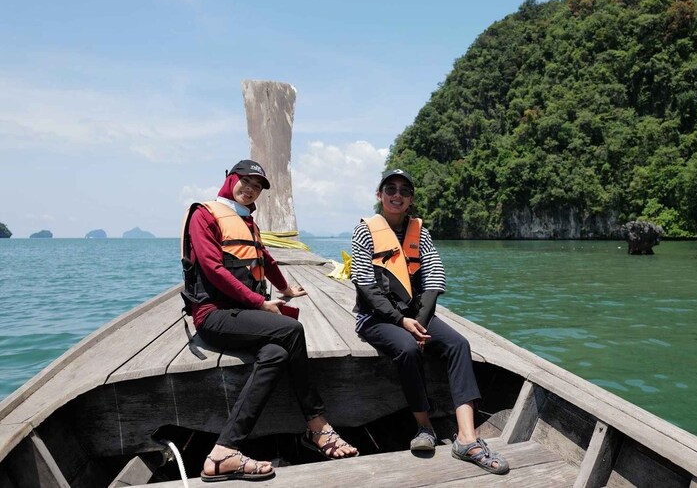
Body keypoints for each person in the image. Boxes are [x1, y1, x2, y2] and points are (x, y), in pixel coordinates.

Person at [182, 159, 357, 482]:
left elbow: (266, 258)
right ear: (230, 179)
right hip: (213, 315)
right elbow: (212, 269)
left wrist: (285, 288)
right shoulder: (204, 215)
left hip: (244, 313)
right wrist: (261, 303)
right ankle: (317, 426)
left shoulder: (247, 222)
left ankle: (223, 451)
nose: (250, 189)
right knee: (292, 329)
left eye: (257, 186)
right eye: (245, 181)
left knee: (276, 354)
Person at [350, 168, 509, 475]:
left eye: (404, 191)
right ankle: (425, 427)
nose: (397, 195)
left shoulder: (419, 232)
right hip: (375, 317)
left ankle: (466, 437)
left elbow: (435, 277)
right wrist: (402, 321)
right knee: (407, 348)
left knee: (459, 344)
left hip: (415, 315)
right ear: (379, 195)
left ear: (411, 199)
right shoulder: (365, 231)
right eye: (391, 189)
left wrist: (418, 321)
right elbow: (365, 283)